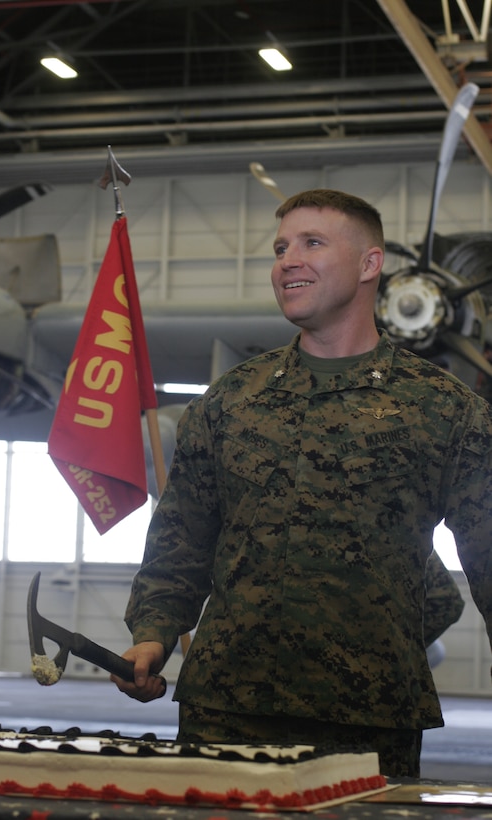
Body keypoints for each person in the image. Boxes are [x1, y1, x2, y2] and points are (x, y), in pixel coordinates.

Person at [111, 189, 492, 778]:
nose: (288, 259)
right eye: (281, 247)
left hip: (368, 717)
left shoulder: (446, 411)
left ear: (370, 264)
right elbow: (181, 541)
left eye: (313, 243)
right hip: (225, 708)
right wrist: (153, 633)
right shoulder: (229, 402)